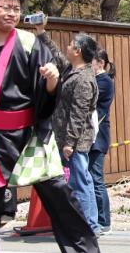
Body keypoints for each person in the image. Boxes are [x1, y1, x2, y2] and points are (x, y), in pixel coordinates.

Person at [0, 0, 105, 253]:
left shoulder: (29, 43)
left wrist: (52, 82)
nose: (12, 13)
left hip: (29, 133)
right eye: (5, 7)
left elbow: (47, 94)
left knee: (58, 190)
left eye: (17, 8)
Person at [35, 24, 101, 237]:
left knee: (80, 182)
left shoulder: (84, 79)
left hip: (76, 140)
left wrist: (70, 143)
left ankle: (89, 227)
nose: (67, 46)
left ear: (78, 51)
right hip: (68, 138)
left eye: (72, 44)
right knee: (82, 181)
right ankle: (91, 225)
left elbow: (79, 114)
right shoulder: (73, 70)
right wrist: (40, 32)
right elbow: (56, 54)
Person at [90, 49, 116, 235]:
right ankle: (95, 218)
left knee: (96, 179)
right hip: (92, 136)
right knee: (90, 178)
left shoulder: (104, 81)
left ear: (100, 62)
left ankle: (104, 221)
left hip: (98, 137)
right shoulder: (97, 81)